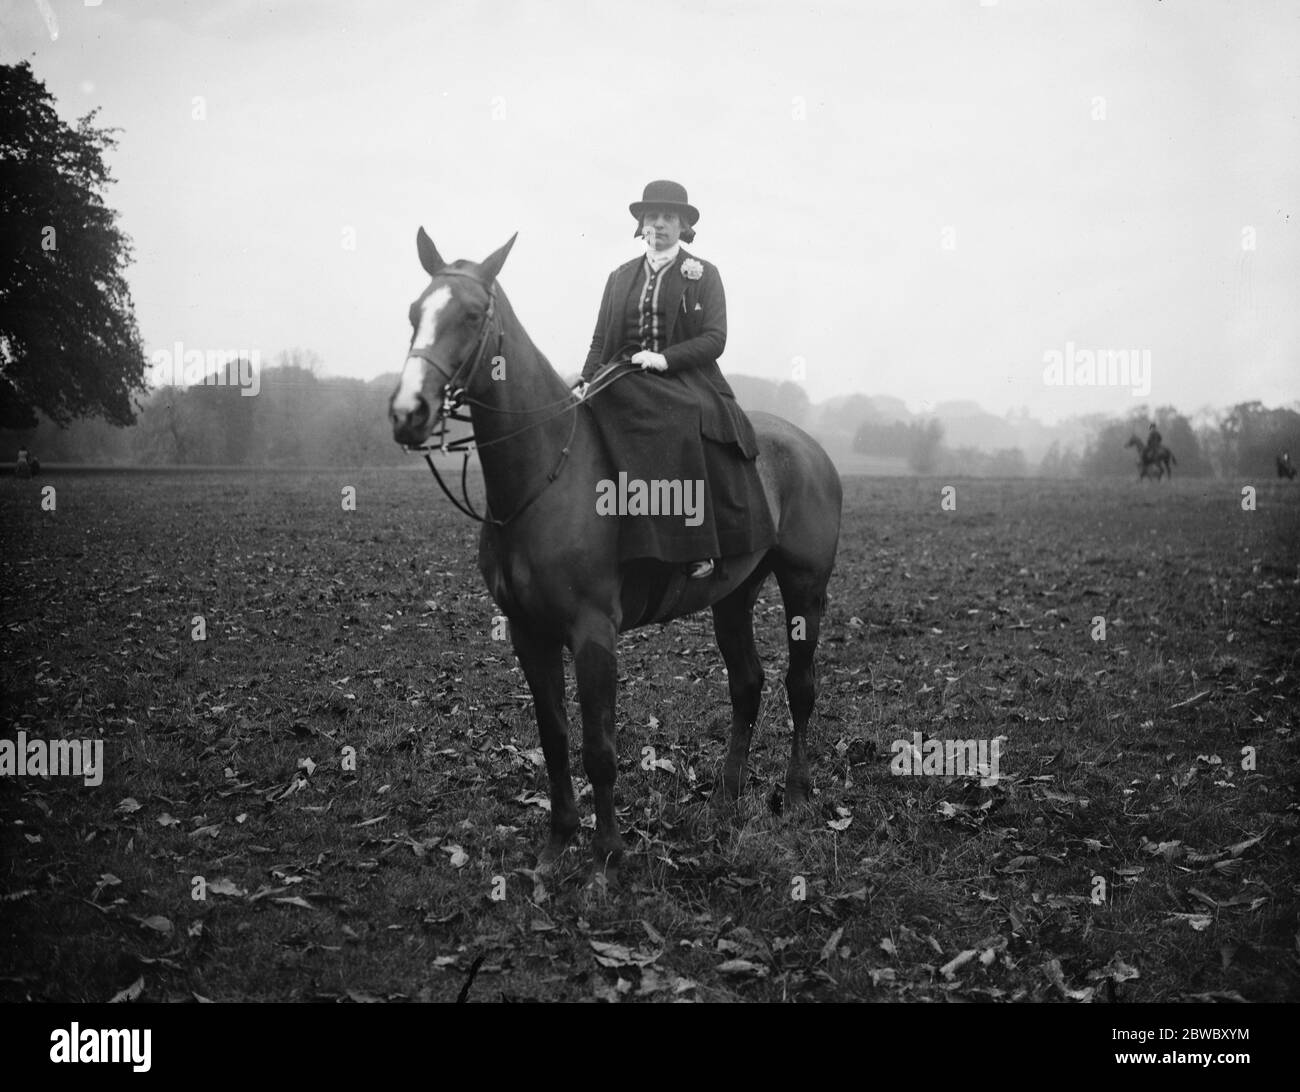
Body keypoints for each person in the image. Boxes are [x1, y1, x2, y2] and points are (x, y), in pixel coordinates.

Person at [580, 180, 775, 577]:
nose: (660, 224)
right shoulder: (619, 277)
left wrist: (665, 359)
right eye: (653, 216)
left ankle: (694, 543)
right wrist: (585, 380)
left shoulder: (703, 274)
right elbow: (601, 339)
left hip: (686, 378)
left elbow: (715, 338)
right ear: (641, 225)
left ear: (684, 225)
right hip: (621, 374)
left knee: (682, 419)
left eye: (670, 216)